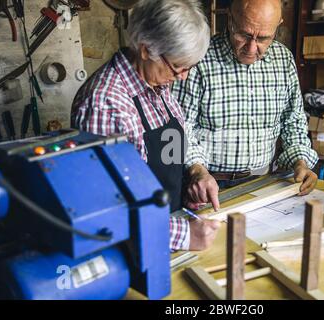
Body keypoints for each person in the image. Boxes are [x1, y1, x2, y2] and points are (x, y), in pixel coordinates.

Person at [71, 0, 220, 251]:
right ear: (145, 49)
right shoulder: (104, 103)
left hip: (169, 226)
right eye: (178, 66)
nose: (183, 76)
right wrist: (184, 235)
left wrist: (188, 186)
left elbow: (162, 163)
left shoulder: (158, 84)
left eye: (189, 67)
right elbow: (106, 208)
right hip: (133, 249)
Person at [173, 0, 319, 211]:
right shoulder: (199, 58)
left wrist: (300, 161)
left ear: (278, 25)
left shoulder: (283, 60)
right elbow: (179, 127)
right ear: (230, 19)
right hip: (209, 185)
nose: (252, 48)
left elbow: (293, 120)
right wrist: (197, 172)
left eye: (263, 38)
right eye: (244, 34)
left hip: (265, 181)